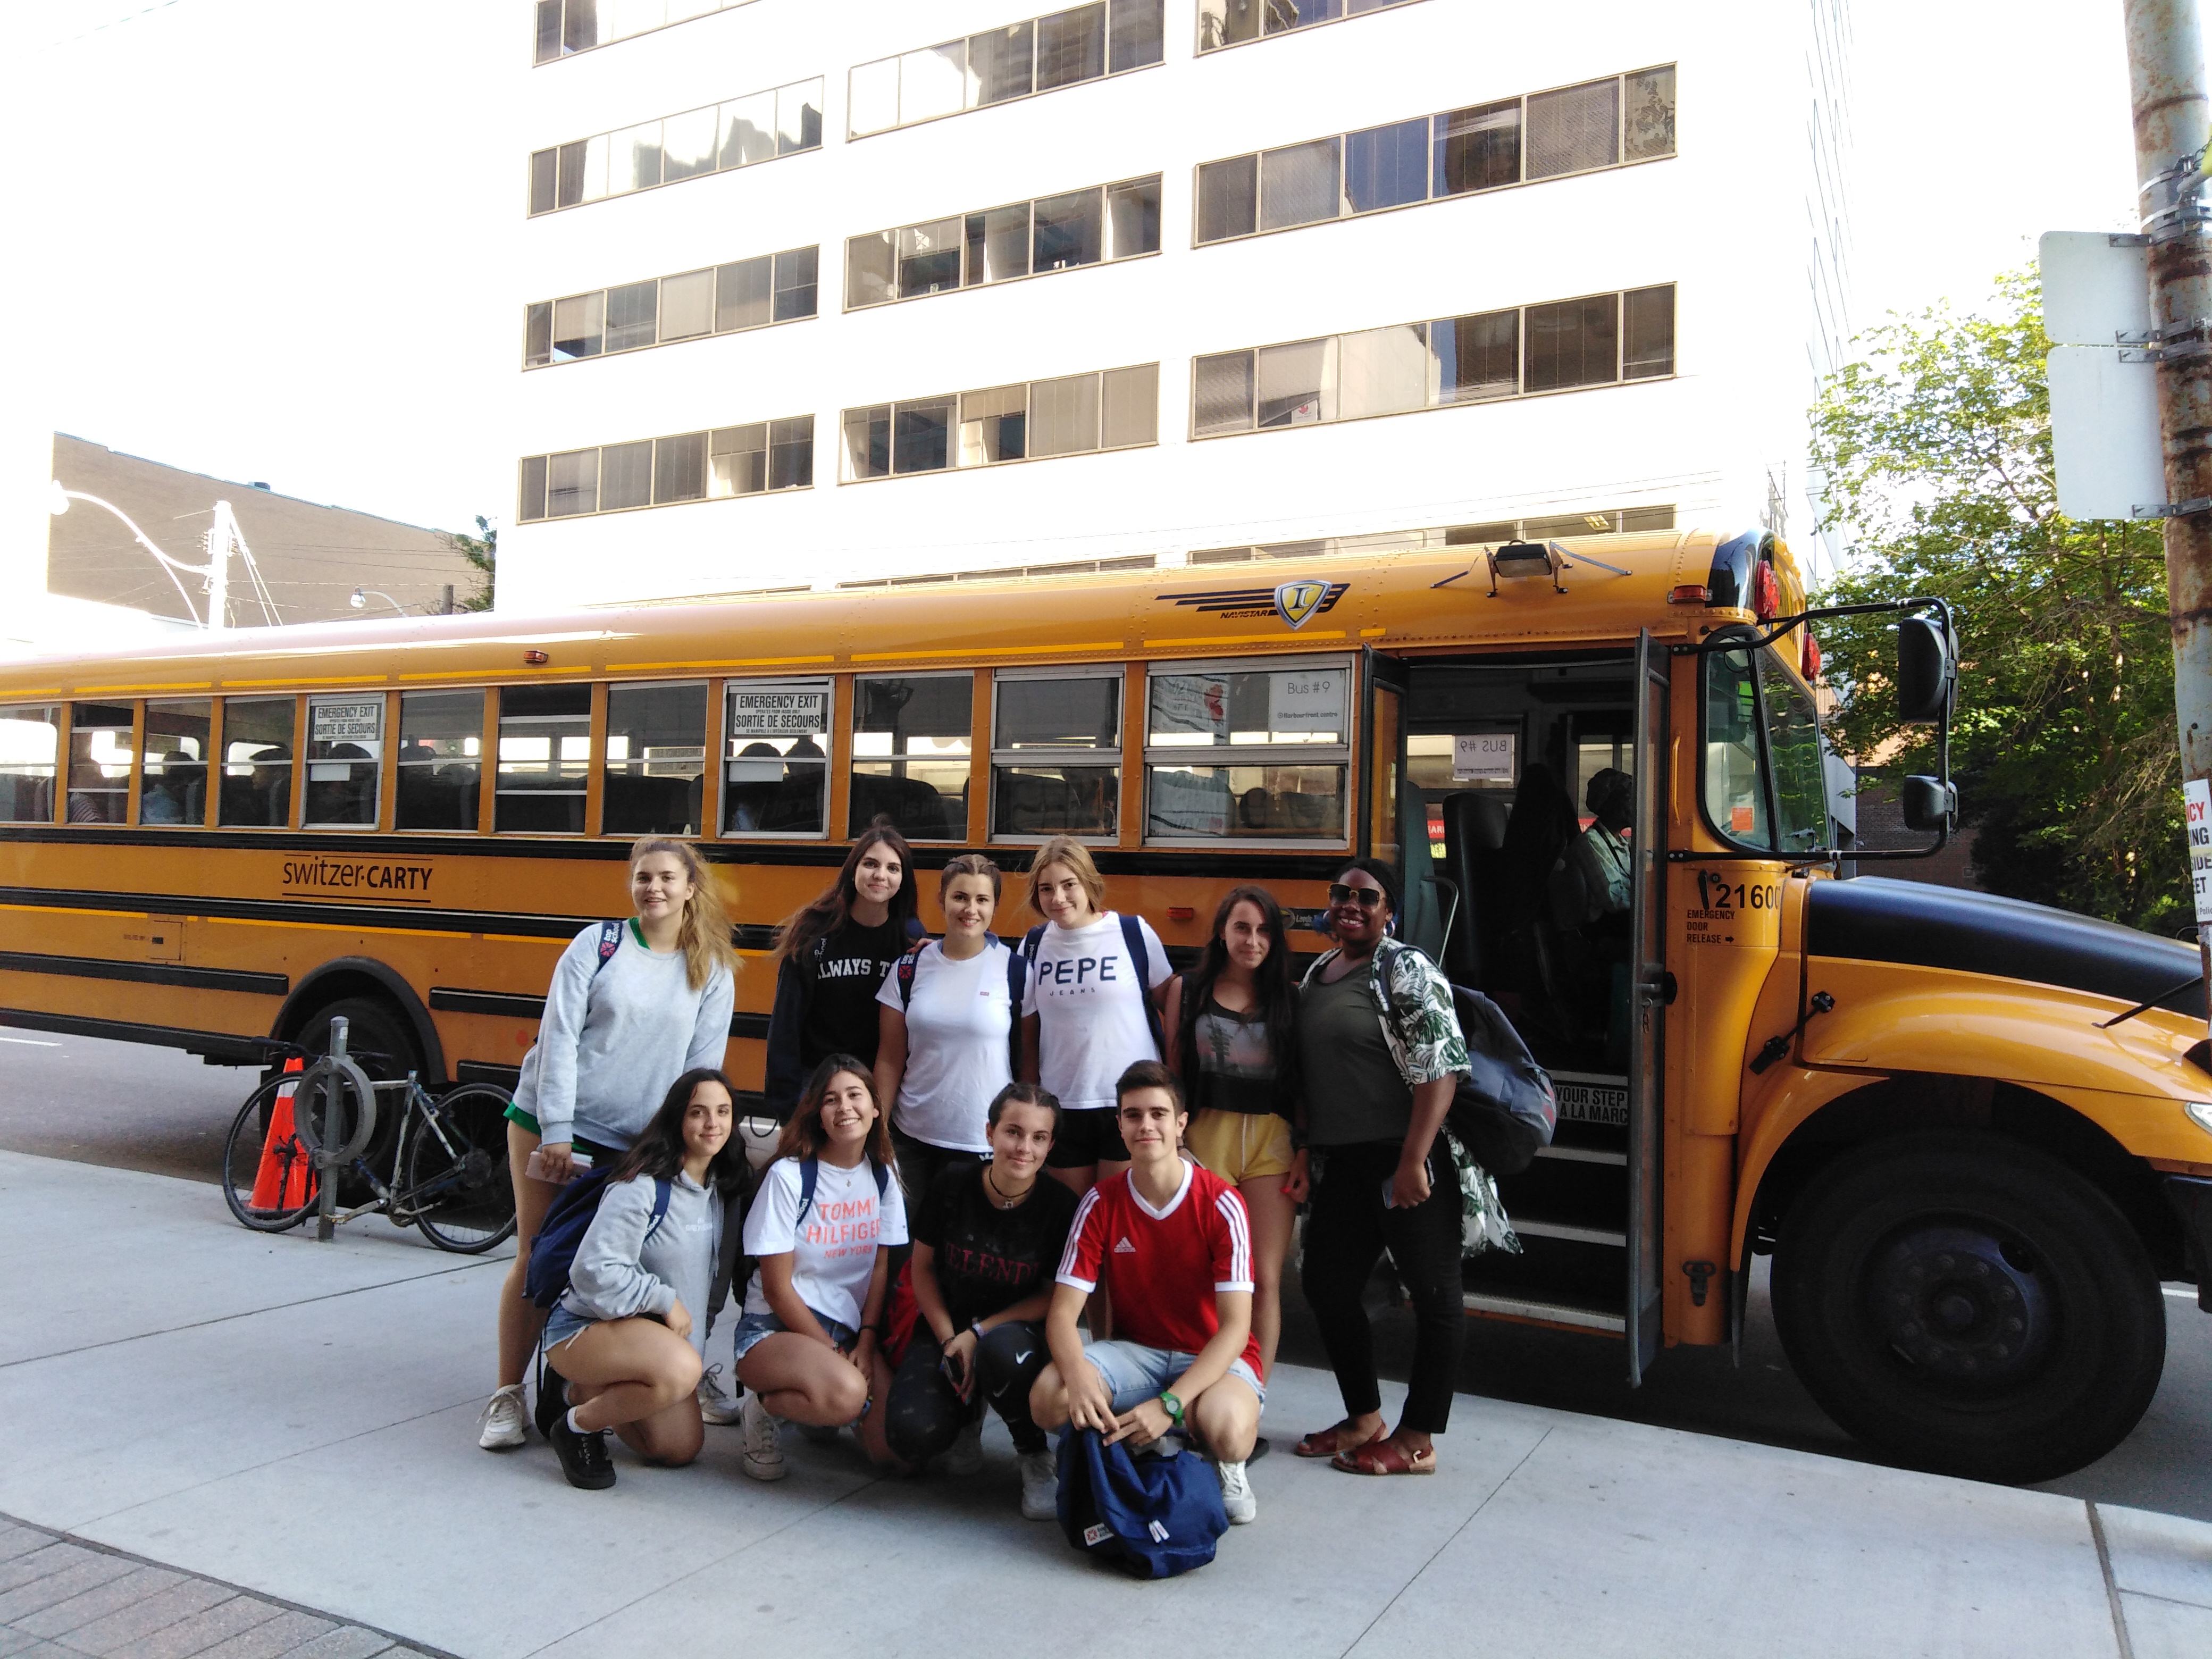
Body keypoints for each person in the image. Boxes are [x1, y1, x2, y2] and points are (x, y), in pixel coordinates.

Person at [478, 837, 739, 1452]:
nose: (654, 888)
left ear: (690, 888)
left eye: (667, 878)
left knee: (627, 1264)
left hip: (638, 1145)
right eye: (643, 877)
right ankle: (507, 1394)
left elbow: (700, 1071)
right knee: (537, 1258)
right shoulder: (597, 946)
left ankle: (592, 1380)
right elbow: (560, 1037)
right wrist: (557, 1131)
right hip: (555, 1126)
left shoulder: (711, 968)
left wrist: (678, 1150)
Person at [1292, 858, 1469, 1478]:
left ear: (1389, 911)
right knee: (1326, 1284)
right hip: (1344, 1161)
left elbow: (1440, 1067)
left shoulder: (1405, 968)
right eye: (1340, 893)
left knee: (1433, 1293)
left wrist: (1414, 1159)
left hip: (1404, 1157)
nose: (1350, 904)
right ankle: (1363, 1417)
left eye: (1367, 897)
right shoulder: (1319, 971)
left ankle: (1417, 1438)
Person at [1032, 1061, 1264, 1524]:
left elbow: (1236, 1329)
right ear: (1119, 1125)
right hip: (1137, 1354)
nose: (1146, 1125)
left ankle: (1219, 1460)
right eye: (1133, 1115)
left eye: (1159, 1114)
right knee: (1049, 1397)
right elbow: (1062, 1315)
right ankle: (1139, 1442)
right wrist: (1080, 1383)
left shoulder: (1223, 1203)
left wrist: (1170, 1404)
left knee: (1228, 1429)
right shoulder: (1100, 1202)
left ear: (1181, 1124)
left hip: (1212, 1356)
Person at [540, 1068, 746, 1489]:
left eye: (723, 1112)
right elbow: (592, 1270)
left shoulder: (720, 1192)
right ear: (677, 1118)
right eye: (698, 1112)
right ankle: (575, 1424)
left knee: (679, 1447)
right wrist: (663, 1299)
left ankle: (583, 1392)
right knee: (680, 1370)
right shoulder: (643, 1187)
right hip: (584, 1329)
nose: (712, 1123)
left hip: (651, 1343)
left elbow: (708, 1289)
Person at [882, 1082, 1075, 1518]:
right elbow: (922, 1269)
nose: (1023, 1147)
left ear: (1050, 1147)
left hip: (1016, 1336)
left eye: (1038, 1137)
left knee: (999, 1352)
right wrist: (951, 1340)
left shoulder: (1061, 1206)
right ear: (990, 1133)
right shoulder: (953, 1183)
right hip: (947, 1326)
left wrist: (977, 1334)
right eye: (1013, 1132)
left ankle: (1033, 1456)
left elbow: (1051, 1296)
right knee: (911, 1435)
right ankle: (967, 1414)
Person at [733, 1055, 909, 1481]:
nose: (844, 1107)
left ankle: (819, 1403)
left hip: (846, 1330)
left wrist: (865, 1344)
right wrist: (834, 1355)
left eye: (855, 1095)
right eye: (831, 1100)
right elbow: (777, 1290)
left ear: (876, 1108)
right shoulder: (789, 1177)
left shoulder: (884, 1175)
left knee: (898, 1453)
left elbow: (880, 1269)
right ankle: (765, 1409)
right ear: (818, 1114)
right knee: (849, 1395)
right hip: (775, 1329)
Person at [1161, 884, 1300, 1389]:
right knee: (1202, 1275)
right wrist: (1174, 1144)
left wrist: (1305, 1150)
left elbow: (1301, 1080)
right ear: (1222, 932)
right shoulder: (1187, 990)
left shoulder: (1290, 997)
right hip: (1204, 1139)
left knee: (1263, 1280)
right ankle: (1194, 1389)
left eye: (1264, 931)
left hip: (1271, 1143)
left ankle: (1249, 1394)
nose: (1252, 941)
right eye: (1242, 927)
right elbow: (1172, 1071)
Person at [1017, 835, 1170, 1196]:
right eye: (1046, 889)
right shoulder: (1034, 945)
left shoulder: (1132, 933)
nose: (1058, 898)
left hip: (1129, 1103)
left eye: (1069, 884)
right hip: (1063, 1103)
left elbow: (1174, 1005)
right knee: (1072, 1218)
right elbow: (1028, 1034)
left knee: (1119, 1215)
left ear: (1088, 882)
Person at [874, 854, 1019, 1209]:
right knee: (901, 1239)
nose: (970, 909)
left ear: (995, 906)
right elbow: (889, 1059)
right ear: (941, 899)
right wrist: (877, 1134)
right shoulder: (909, 969)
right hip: (911, 1140)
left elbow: (1028, 1061)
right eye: (960, 897)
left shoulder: (1015, 971)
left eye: (982, 900)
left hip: (983, 1141)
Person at [762, 820, 918, 1119]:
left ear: (903, 879)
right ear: (853, 869)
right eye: (870, 864)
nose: (880, 875)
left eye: (893, 868)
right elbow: (786, 1022)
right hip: (816, 1080)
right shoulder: (815, 931)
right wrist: (785, 1099)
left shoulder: (909, 938)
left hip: (878, 1081)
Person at [1570, 767, 1635, 921]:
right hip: (1609, 926)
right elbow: (1614, 901)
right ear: (1610, 804)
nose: (1635, 807)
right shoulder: (1591, 842)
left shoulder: (1621, 843)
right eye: (1629, 799)